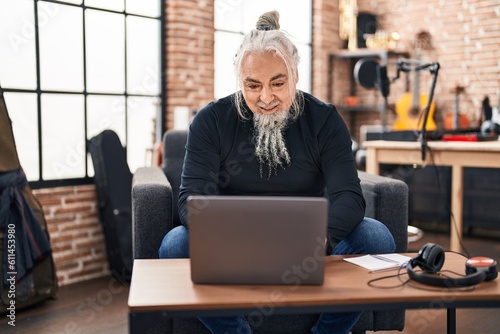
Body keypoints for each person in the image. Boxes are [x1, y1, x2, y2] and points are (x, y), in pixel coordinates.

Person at [159, 10, 396, 334]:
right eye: (252, 85)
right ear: (239, 80)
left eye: (278, 83)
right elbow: (191, 197)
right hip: (230, 245)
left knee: (376, 236)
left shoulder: (324, 120)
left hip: (311, 247)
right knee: (174, 246)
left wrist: (320, 241)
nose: (266, 97)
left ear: (295, 75)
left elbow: (349, 197)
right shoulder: (211, 120)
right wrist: (230, 240)